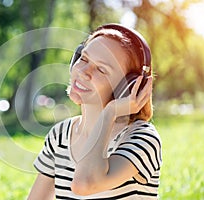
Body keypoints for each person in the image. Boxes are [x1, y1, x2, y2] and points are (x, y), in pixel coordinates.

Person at [28, 23, 162, 199]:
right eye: (83, 59)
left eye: (101, 69)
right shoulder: (60, 135)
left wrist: (110, 112)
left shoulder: (142, 138)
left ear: (126, 87)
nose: (83, 71)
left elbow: (85, 183)